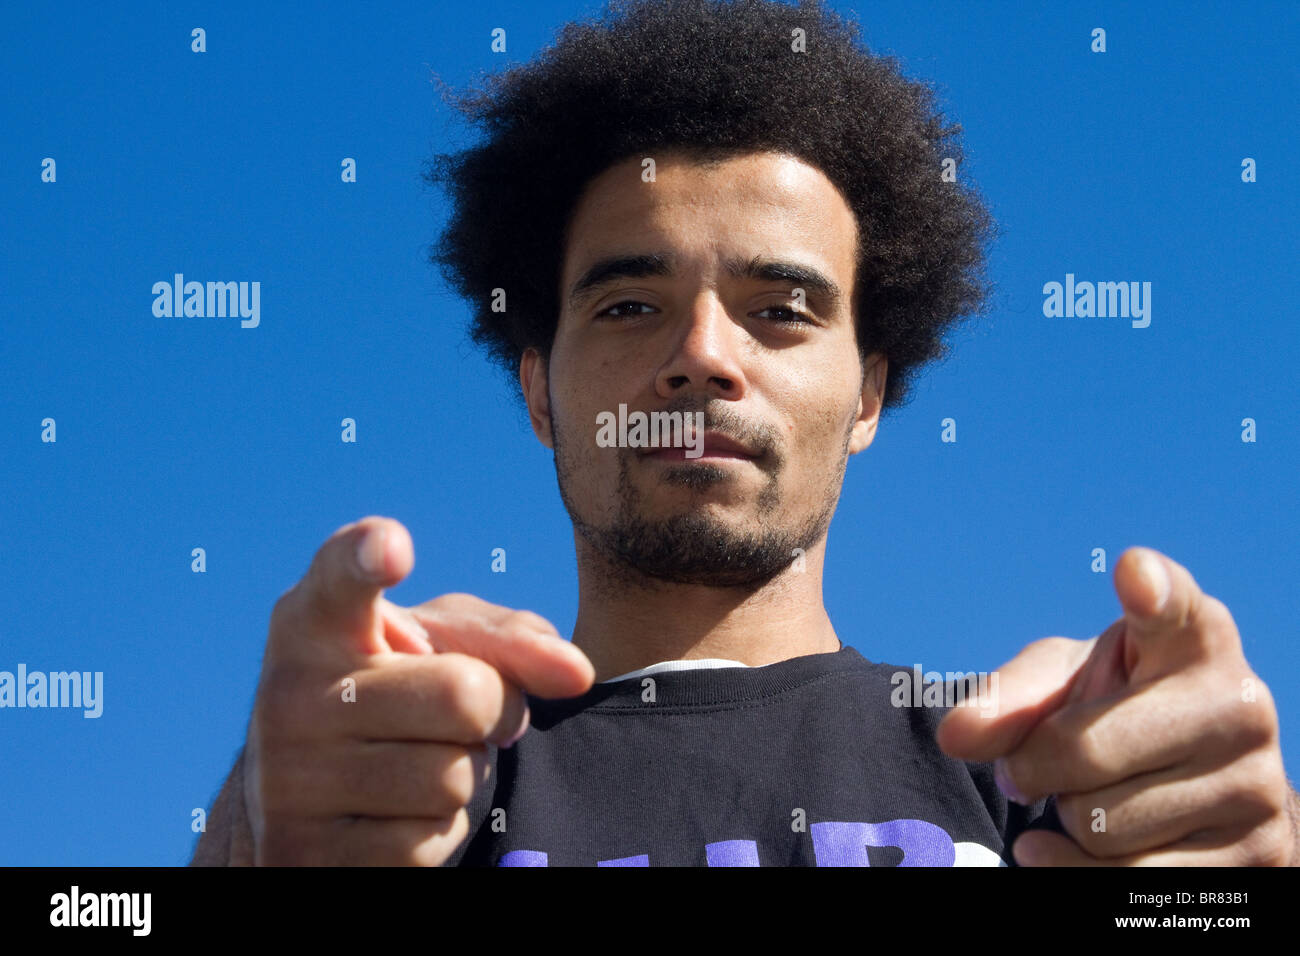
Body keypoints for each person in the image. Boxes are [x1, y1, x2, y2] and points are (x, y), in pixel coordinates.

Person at [191, 0, 1299, 867]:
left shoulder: (1051, 779)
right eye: (630, 305)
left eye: (781, 309)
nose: (705, 354)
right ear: (538, 390)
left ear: (868, 394)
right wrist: (250, 843)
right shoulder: (406, 786)